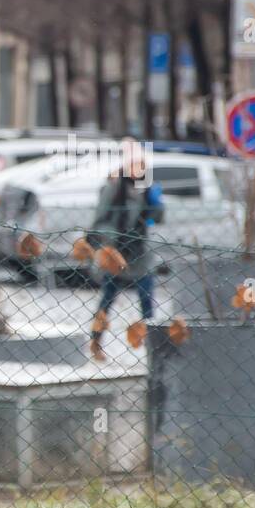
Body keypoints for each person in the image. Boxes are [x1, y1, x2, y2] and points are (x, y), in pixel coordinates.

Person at [86, 139, 164, 361]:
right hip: (117, 252)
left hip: (140, 253)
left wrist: (156, 200)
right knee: (107, 299)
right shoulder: (114, 187)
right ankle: (96, 342)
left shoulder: (147, 188)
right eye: (134, 164)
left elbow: (156, 217)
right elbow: (101, 218)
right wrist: (108, 242)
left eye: (142, 164)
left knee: (147, 300)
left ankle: (152, 348)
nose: (138, 169)